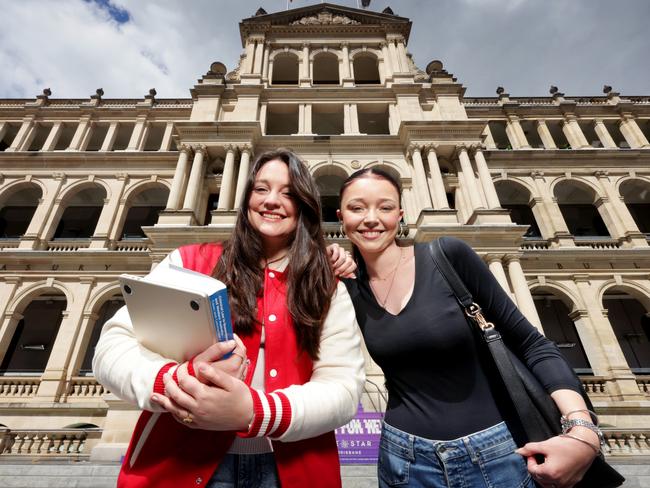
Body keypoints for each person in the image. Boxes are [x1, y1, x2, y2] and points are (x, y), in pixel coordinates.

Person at [93, 148, 365, 488]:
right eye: (261, 189)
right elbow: (114, 347)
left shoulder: (326, 285)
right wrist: (175, 381)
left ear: (305, 205)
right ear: (247, 196)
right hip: (180, 465)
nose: (271, 201)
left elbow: (343, 388)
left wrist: (254, 411)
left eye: (289, 192)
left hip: (292, 471)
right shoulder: (188, 260)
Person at [337, 168, 600, 488]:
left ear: (400, 215)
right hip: (403, 461)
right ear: (340, 216)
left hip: (497, 455)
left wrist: (582, 427)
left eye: (385, 207)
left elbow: (532, 344)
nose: (371, 218)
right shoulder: (346, 287)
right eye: (357, 207)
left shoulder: (447, 256)